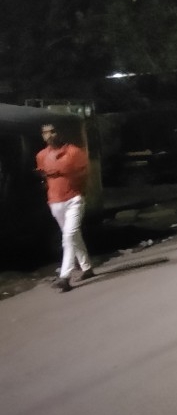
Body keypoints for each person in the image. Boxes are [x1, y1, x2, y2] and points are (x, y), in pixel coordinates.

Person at [36, 123, 94, 293]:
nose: (49, 135)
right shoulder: (41, 155)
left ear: (60, 133)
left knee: (68, 236)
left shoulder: (74, 152)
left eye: (53, 131)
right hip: (55, 201)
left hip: (74, 199)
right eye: (45, 133)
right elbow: (42, 175)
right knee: (73, 236)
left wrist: (80, 193)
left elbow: (85, 174)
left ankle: (65, 276)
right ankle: (87, 267)